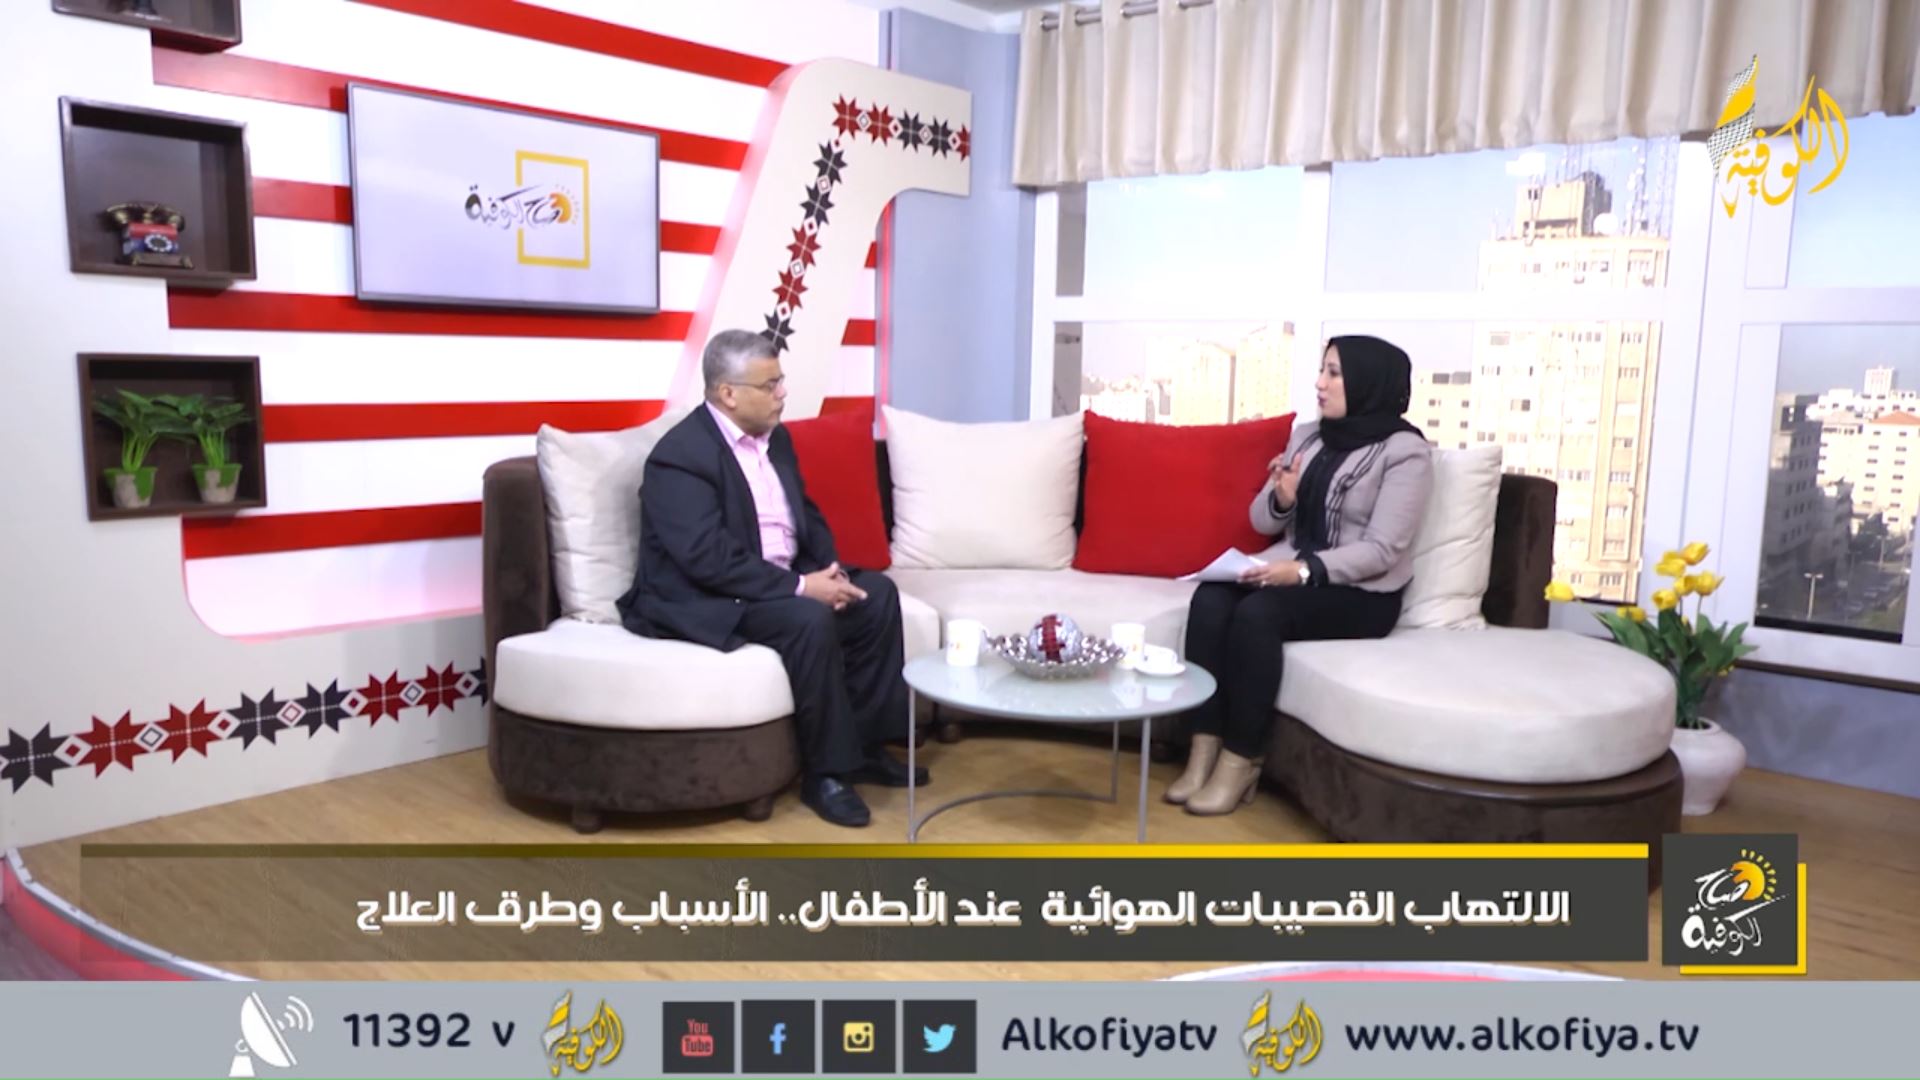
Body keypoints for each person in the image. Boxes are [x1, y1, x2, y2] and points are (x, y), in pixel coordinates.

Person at [615, 329, 924, 828]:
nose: (783, 393)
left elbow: (805, 514)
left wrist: (828, 571)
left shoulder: (774, 438)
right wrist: (802, 588)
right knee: (807, 620)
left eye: (781, 380)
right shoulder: (681, 457)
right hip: (708, 595)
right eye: (770, 384)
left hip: (774, 579)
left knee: (876, 594)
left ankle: (867, 747)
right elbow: (706, 558)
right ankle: (825, 774)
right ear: (728, 393)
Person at [1167, 335, 1433, 815]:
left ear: (1368, 382)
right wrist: (1283, 497)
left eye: (1334, 373)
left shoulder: (1405, 453)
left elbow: (1382, 550)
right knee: (1210, 600)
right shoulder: (1307, 436)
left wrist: (1305, 570)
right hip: (1291, 566)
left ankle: (1242, 760)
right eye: (1322, 370)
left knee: (1259, 615)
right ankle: (1202, 749)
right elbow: (1262, 521)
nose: (1320, 383)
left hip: (1361, 592)